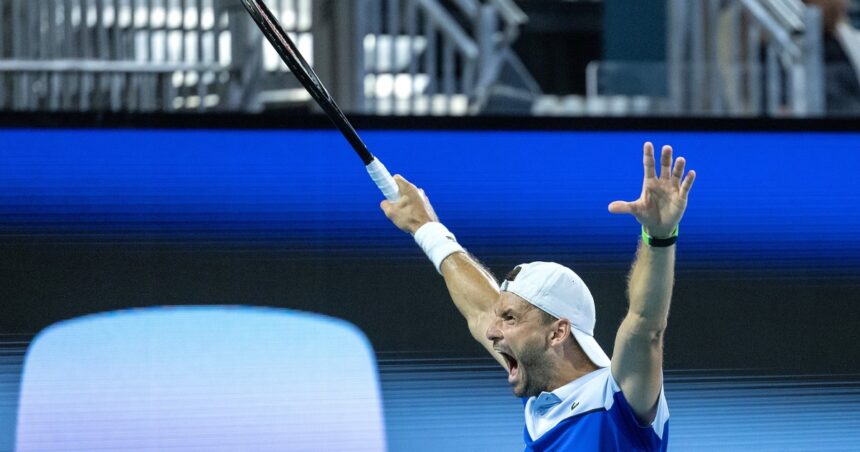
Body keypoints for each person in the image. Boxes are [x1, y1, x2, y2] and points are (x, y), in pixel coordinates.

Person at [380, 142, 696, 451]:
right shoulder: (540, 388)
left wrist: (659, 236)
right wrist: (425, 228)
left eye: (510, 318)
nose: (492, 329)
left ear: (558, 332)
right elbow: (479, 308)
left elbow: (645, 325)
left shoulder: (616, 396)